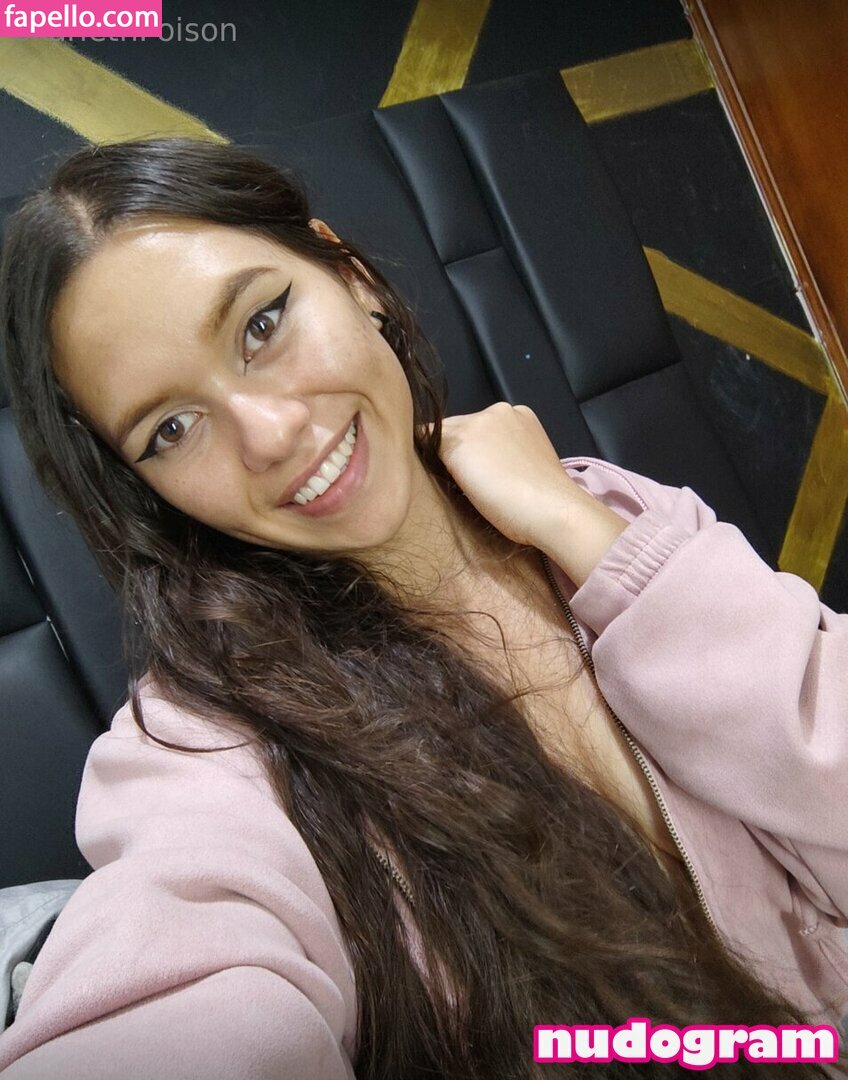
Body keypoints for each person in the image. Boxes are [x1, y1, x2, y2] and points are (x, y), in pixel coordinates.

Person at [0, 137, 845, 1079]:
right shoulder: (203, 749)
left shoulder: (609, 510)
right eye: (171, 428)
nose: (271, 434)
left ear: (349, 274)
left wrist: (593, 538)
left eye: (262, 324)